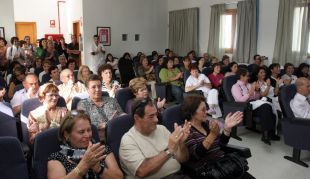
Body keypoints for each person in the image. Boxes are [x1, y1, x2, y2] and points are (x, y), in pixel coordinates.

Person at [180, 95, 253, 179]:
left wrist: (227, 128)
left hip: (225, 165)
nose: (206, 112)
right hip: (211, 171)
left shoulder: (207, 124)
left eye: (206, 108)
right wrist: (212, 135)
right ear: (191, 112)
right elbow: (197, 155)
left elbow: (221, 145)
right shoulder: (186, 130)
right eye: (203, 110)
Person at [119, 98, 191, 179]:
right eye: (151, 116)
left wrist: (181, 143)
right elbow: (142, 171)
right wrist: (169, 150)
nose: (156, 119)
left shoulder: (162, 129)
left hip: (178, 175)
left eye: (156, 115)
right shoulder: (128, 140)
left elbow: (183, 159)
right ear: (137, 118)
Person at [47, 110, 123, 179]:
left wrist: (98, 168)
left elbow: (119, 177)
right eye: (81, 132)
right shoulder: (57, 158)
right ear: (67, 135)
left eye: (89, 130)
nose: (87, 135)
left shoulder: (101, 149)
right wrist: (84, 165)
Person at [231, 68, 280, 145]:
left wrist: (257, 91)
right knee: (266, 106)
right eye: (247, 76)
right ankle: (268, 134)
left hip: (255, 104)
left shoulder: (249, 85)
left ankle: (267, 134)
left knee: (268, 106)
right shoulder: (235, 86)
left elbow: (256, 97)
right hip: (245, 107)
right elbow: (240, 100)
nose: (249, 77)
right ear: (241, 76)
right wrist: (251, 92)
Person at [77, 75, 124, 141]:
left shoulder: (112, 100)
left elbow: (122, 116)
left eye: (99, 86)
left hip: (119, 134)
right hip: (98, 139)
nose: (97, 89)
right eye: (93, 87)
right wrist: (100, 126)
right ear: (87, 89)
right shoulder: (83, 105)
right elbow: (84, 126)